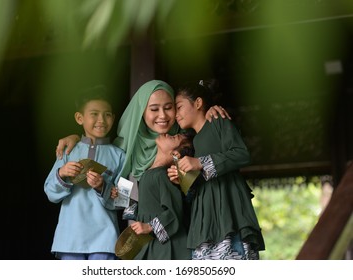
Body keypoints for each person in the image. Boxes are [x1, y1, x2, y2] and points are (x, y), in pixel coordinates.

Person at [55, 80, 230, 203]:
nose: (162, 116)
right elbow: (123, 202)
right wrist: (76, 138)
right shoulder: (125, 150)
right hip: (148, 231)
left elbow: (194, 190)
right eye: (154, 109)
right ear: (141, 112)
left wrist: (208, 114)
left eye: (169, 108)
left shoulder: (185, 139)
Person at [168, 79, 265, 260]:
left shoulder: (217, 120)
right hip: (204, 219)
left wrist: (200, 162)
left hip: (228, 209)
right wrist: (182, 179)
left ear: (198, 103)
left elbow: (241, 154)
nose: (175, 115)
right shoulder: (194, 141)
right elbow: (200, 181)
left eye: (178, 107)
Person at [44, 86, 125, 260]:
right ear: (79, 118)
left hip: (105, 238)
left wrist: (102, 186)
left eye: (107, 114)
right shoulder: (68, 151)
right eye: (94, 114)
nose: (101, 120)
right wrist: (62, 173)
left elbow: (124, 200)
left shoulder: (120, 156)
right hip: (70, 238)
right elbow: (50, 192)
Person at [113, 132, 195, 259]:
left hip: (167, 248)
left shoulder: (162, 176)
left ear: (175, 154)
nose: (167, 133)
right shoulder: (148, 174)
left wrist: (149, 226)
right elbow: (146, 209)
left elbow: (174, 211)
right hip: (152, 243)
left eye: (173, 137)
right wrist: (120, 197)